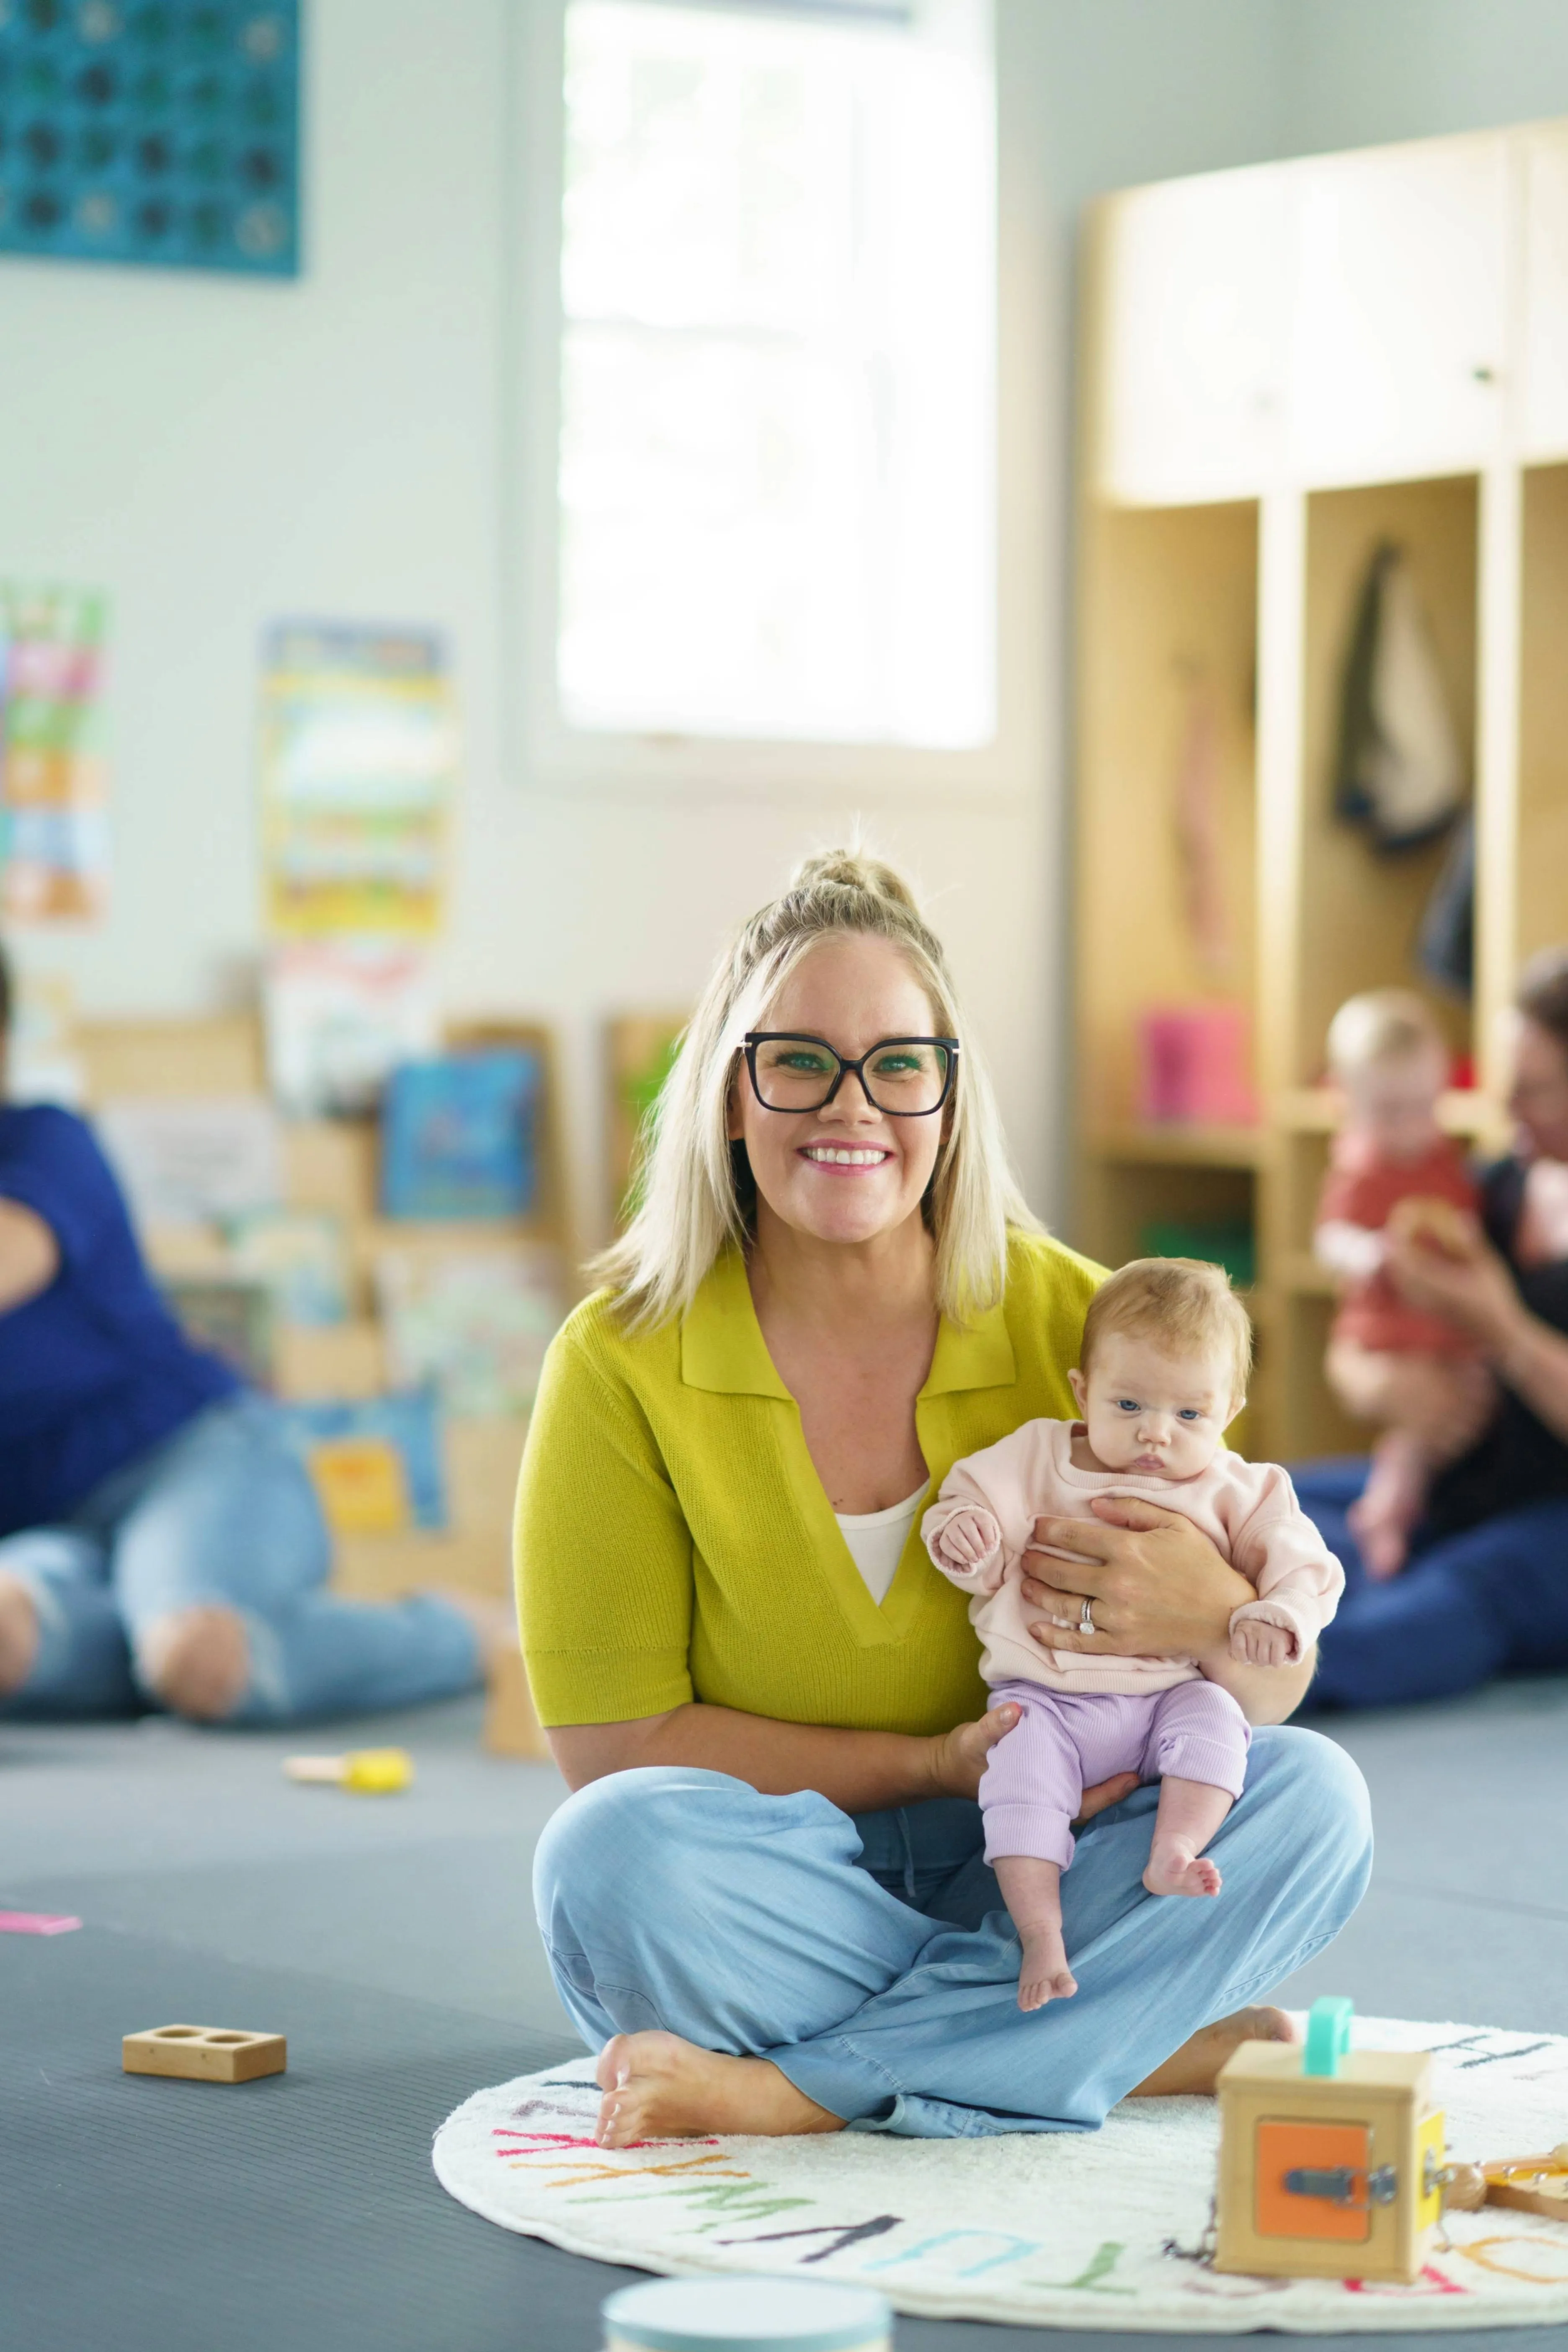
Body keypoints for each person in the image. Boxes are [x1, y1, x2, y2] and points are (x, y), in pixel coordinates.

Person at [518, 848, 1370, 2150]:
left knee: (1315, 1803)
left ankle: (809, 2083)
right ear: (731, 1096)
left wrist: (1216, 1620)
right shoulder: (619, 1355)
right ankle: (1110, 2044)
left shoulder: (1090, 1329)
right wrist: (931, 1763)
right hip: (788, 1880)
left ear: (950, 1098)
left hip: (1058, 1863)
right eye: (797, 1060)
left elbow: (1268, 1686)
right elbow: (615, 1749)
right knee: (608, 1855)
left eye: (898, 1064)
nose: (848, 1105)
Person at [0, 951, 489, 1725]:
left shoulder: (45, 1144)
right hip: (52, 1533)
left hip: (197, 1461)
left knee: (191, 1658)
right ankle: (153, 1648)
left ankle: (465, 1636)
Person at [922, 1257, 1342, 2009]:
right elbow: (970, 1500)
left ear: (1230, 1410)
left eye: (1190, 1416)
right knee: (1017, 1777)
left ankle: (1174, 1849)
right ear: (1083, 1391)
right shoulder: (1037, 1455)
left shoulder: (1242, 1489)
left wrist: (1278, 1613)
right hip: (1045, 1702)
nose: (1156, 1435)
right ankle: (1041, 1937)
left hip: (1167, 1702)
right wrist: (969, 1535)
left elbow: (1305, 1564)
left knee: (1219, 1725)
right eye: (1128, 1404)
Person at [1300, 946, 1568, 1709]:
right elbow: (1356, 1348)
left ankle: (1235, 1684)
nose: (1508, 1112)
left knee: (1453, 1596)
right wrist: (1389, 1388)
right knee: (1256, 1502)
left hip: (1548, 1513)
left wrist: (1503, 1331)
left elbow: (1494, 1331)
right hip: (1456, 1477)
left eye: (1537, 1092)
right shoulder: (1485, 1189)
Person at [1313, 989, 1486, 1578]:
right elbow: (1330, 1237)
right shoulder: (1363, 1164)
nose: (1411, 1127)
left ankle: (1402, 1504)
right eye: (1390, 1112)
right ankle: (1387, 1507)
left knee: (1457, 1399)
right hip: (1393, 1320)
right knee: (1417, 1415)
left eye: (1423, 1107)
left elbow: (1464, 1217)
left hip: (1445, 1323)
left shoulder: (1443, 1158)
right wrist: (1369, 1253)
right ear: (1351, 1101)